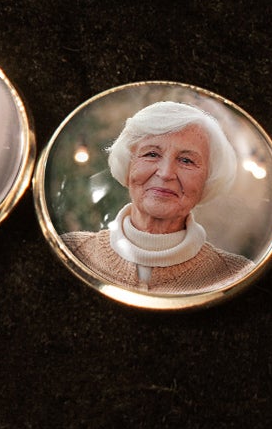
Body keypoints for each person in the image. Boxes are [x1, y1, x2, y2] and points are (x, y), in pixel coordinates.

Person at [67, 100, 247, 294]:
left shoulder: (237, 275)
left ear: (208, 178)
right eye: (152, 154)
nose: (166, 173)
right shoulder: (71, 251)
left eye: (186, 160)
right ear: (128, 165)